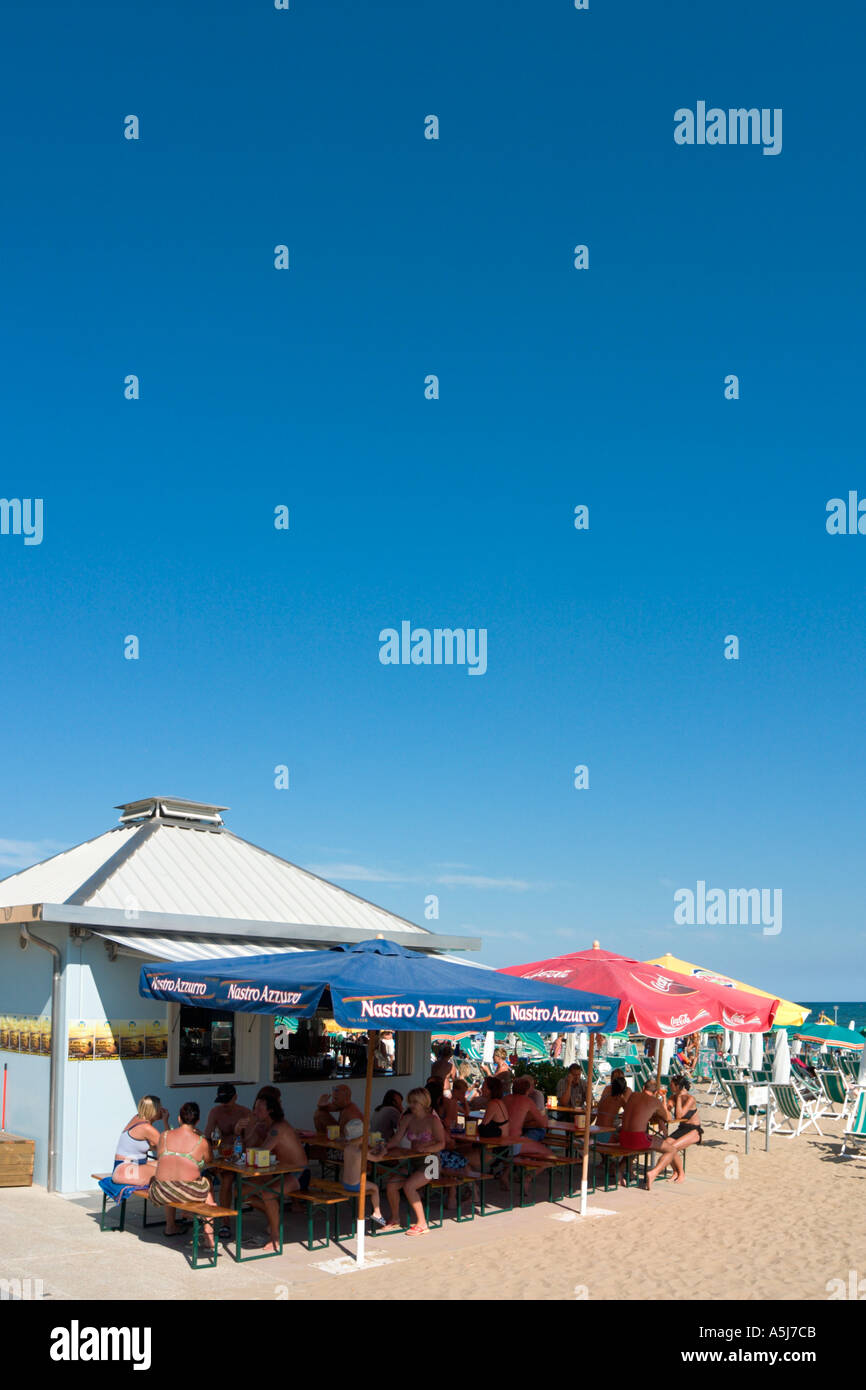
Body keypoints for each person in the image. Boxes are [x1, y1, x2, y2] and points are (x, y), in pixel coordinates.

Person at [243, 1094, 310, 1252]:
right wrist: (251, 1127)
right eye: (254, 1108)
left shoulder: (277, 1128)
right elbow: (249, 1145)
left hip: (298, 1173)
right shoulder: (265, 1126)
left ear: (270, 1111)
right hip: (280, 1172)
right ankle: (273, 1218)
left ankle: (275, 1238)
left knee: (268, 1194)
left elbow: (262, 1152)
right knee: (242, 1192)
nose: (255, 1111)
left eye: (259, 1109)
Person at [379, 1088, 446, 1235]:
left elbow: (442, 1143)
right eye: (410, 1102)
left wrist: (426, 1148)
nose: (411, 1105)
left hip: (431, 1162)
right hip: (413, 1162)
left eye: (415, 1102)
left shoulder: (433, 1120)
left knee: (409, 1186)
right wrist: (384, 1147)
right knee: (391, 1184)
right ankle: (395, 1218)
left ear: (424, 1102)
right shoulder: (408, 1118)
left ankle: (422, 1223)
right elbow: (396, 1139)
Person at [149, 1102, 217, 1246]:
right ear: (197, 1121)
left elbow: (162, 1155)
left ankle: (170, 1226)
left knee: (172, 1178)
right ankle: (208, 1236)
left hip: (160, 1191)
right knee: (207, 1181)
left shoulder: (164, 1135)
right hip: (187, 1193)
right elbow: (210, 1161)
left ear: (179, 1119)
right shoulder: (202, 1141)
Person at [644, 1076, 702, 1189]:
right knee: (666, 1145)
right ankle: (675, 1172)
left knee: (672, 1148)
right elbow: (666, 1113)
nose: (669, 1087)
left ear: (677, 1086)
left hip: (693, 1130)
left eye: (671, 1085)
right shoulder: (673, 1096)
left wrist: (679, 1098)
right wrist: (665, 1099)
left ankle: (681, 1173)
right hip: (682, 1128)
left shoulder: (690, 1099)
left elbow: (679, 1115)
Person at [112, 1095, 169, 1187]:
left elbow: (153, 1146)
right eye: (159, 1108)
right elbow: (169, 1147)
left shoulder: (137, 1118)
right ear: (153, 1111)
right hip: (128, 1170)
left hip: (125, 1167)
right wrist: (165, 1121)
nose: (162, 1110)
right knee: (171, 1172)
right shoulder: (146, 1128)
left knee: (165, 1165)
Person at [340, 1118, 386, 1224]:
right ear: (362, 1137)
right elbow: (377, 1159)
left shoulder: (348, 1148)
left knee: (367, 1184)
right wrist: (382, 1151)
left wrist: (371, 1150)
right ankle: (377, 1213)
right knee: (375, 1188)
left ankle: (370, 1213)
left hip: (345, 1184)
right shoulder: (361, 1152)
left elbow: (363, 1155)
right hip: (355, 1185)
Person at [618, 1078, 673, 1158]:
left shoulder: (633, 1095)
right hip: (637, 1140)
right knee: (671, 1150)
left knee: (637, 1144)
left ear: (643, 1087)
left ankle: (622, 1168)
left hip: (623, 1138)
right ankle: (654, 1171)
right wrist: (664, 1098)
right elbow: (668, 1118)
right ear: (656, 1092)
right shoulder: (655, 1101)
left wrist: (660, 1121)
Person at [503, 1076, 551, 1157]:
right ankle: (531, 1169)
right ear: (527, 1090)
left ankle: (510, 1168)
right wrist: (545, 1116)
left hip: (501, 1140)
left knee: (524, 1154)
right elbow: (544, 1123)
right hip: (513, 1142)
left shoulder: (504, 1099)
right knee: (549, 1154)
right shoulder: (527, 1101)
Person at [234, 1085, 280, 1150]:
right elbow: (247, 1147)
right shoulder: (255, 1120)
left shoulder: (275, 1122)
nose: (280, 1102)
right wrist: (237, 1132)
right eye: (278, 1101)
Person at [594, 1076, 628, 1142]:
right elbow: (629, 1112)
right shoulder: (620, 1099)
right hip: (607, 1134)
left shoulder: (605, 1097)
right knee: (627, 1139)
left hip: (596, 1132)